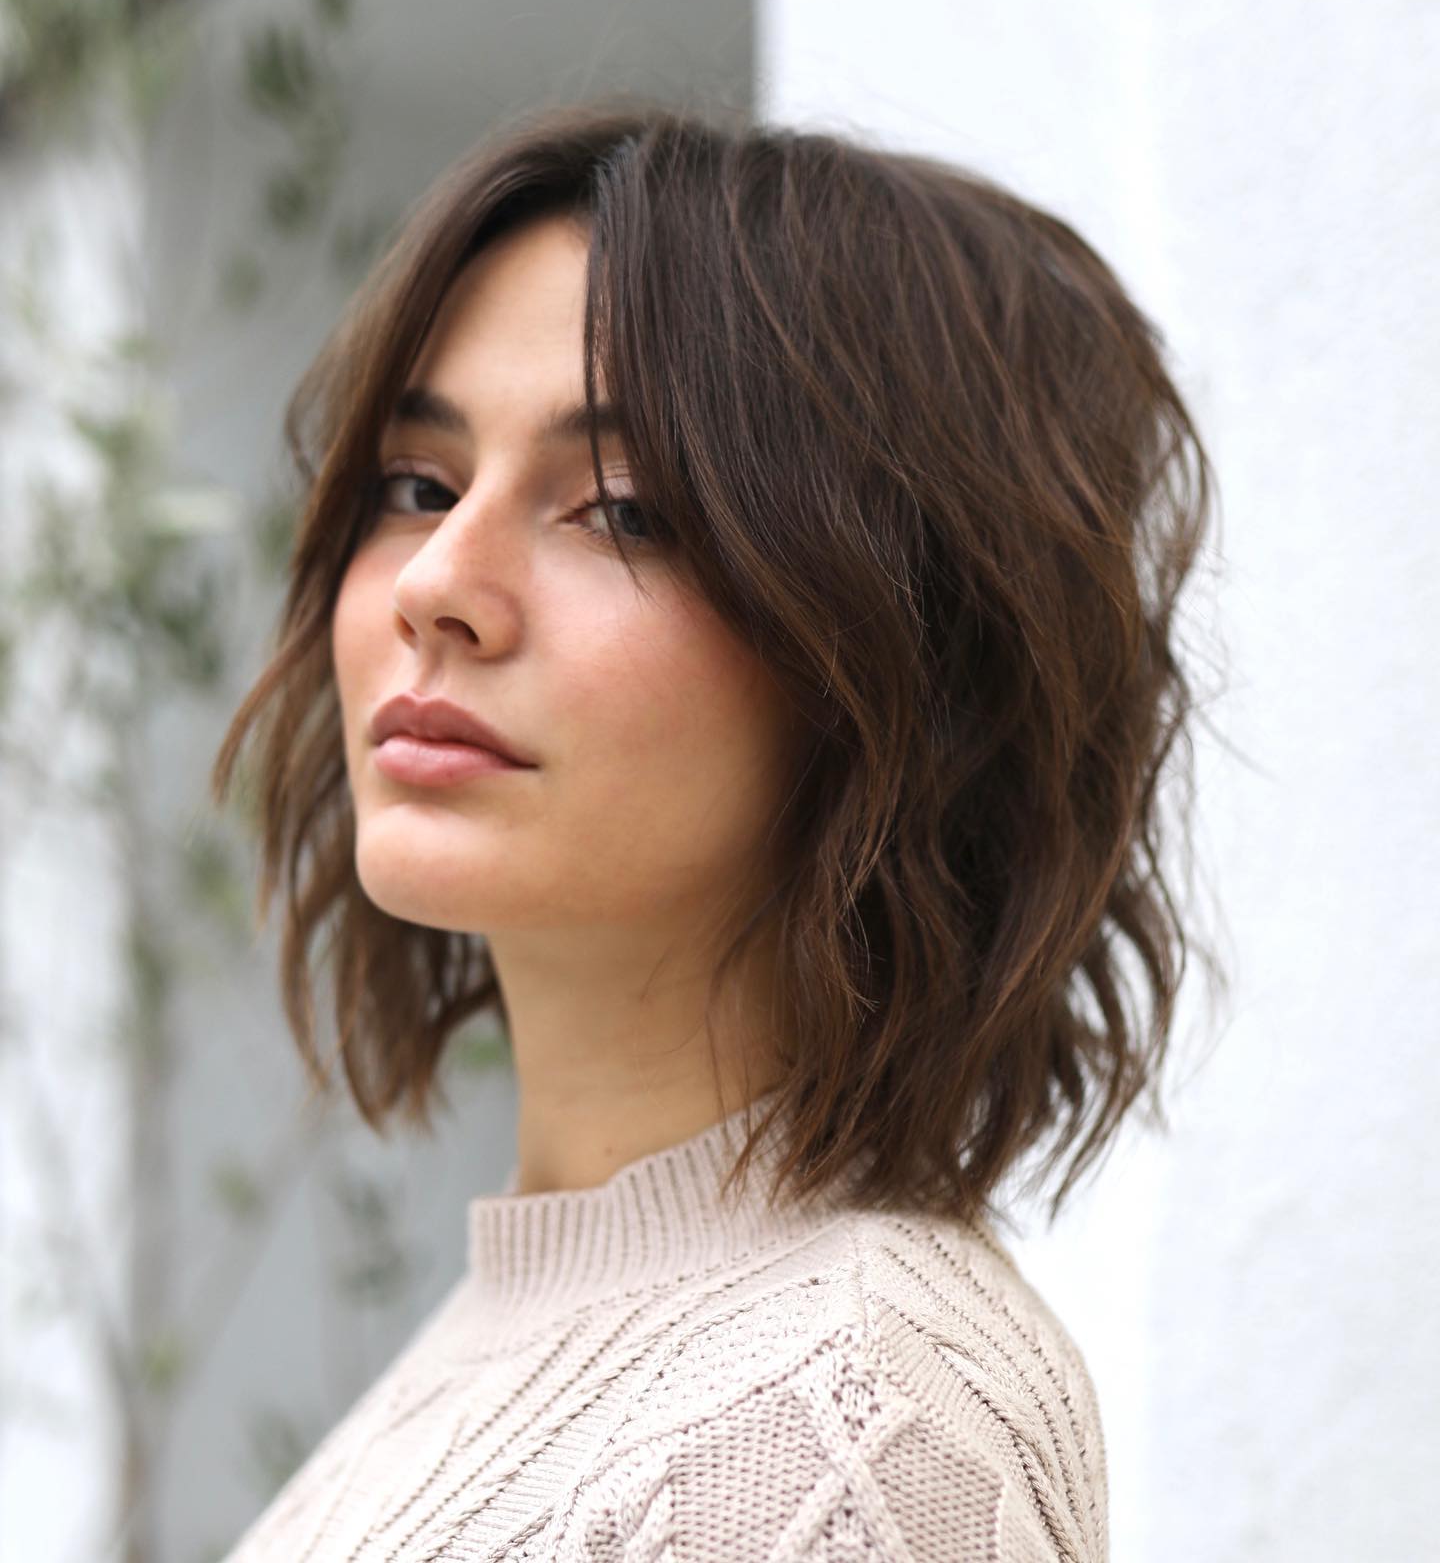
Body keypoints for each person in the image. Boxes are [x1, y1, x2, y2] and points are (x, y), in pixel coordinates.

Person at [210, 98, 1222, 1561]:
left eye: (621, 510)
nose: (438, 578)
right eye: (417, 485)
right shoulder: (541, 1329)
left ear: (900, 660)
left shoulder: (849, 1413)